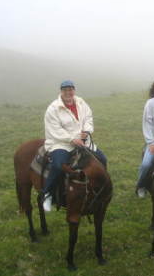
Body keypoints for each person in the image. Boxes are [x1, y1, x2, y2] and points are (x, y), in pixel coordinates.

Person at [41, 80, 107, 211]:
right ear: (61, 92)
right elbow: (54, 130)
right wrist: (72, 139)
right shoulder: (53, 109)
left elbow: (88, 118)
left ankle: (101, 188)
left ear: (74, 91)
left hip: (83, 141)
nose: (68, 92)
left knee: (102, 159)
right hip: (61, 143)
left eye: (70, 90)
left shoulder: (81, 103)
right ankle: (47, 194)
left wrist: (86, 131)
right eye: (65, 90)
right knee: (58, 166)